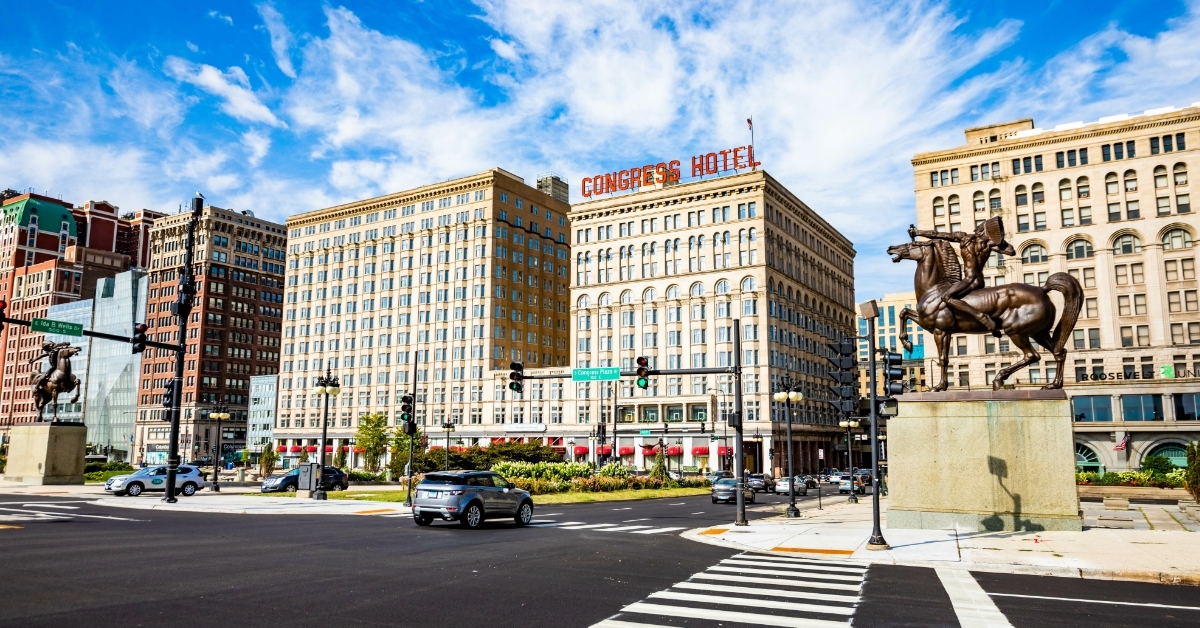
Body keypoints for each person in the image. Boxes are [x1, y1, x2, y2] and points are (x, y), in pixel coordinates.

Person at [908, 219, 1016, 336]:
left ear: (981, 229)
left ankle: (982, 318)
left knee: (946, 297)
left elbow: (937, 234)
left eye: (979, 228)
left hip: (969, 280)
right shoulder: (988, 243)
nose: (977, 229)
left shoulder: (964, 238)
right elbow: (1011, 251)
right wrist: (1000, 241)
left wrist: (918, 232)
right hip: (978, 280)